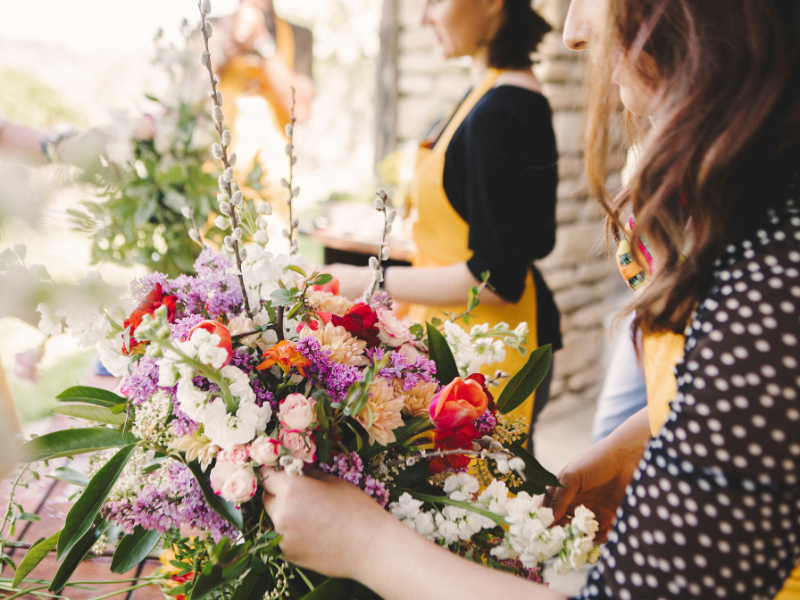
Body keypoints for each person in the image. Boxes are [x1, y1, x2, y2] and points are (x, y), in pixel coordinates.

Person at [259, 0, 800, 598]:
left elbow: (498, 271)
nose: (573, 32)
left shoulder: (768, 288)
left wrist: (365, 545)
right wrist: (650, 438)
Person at [326, 0, 560, 438]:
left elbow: (495, 281)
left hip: (488, 352)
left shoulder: (507, 113)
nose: (424, 17)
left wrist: (370, 280)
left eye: (435, 0)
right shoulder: (481, 99)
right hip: (453, 333)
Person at [210, 0, 313, 253]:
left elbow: (301, 109)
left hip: (272, 199)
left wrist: (264, 45)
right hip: (213, 194)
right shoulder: (208, 30)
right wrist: (221, 57)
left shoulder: (298, 35)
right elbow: (188, 101)